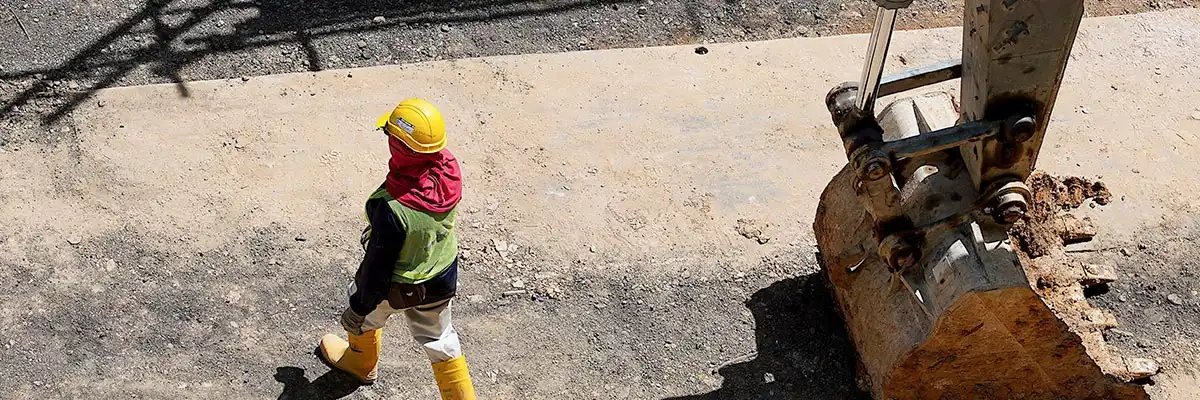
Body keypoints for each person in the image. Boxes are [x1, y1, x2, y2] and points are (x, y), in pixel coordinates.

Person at [318, 98, 475, 399]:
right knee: (440, 338)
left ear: (400, 148)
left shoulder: (392, 208)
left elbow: (377, 270)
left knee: (364, 313)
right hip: (441, 273)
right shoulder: (448, 170)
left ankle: (360, 363)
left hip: (399, 286)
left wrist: (359, 307)